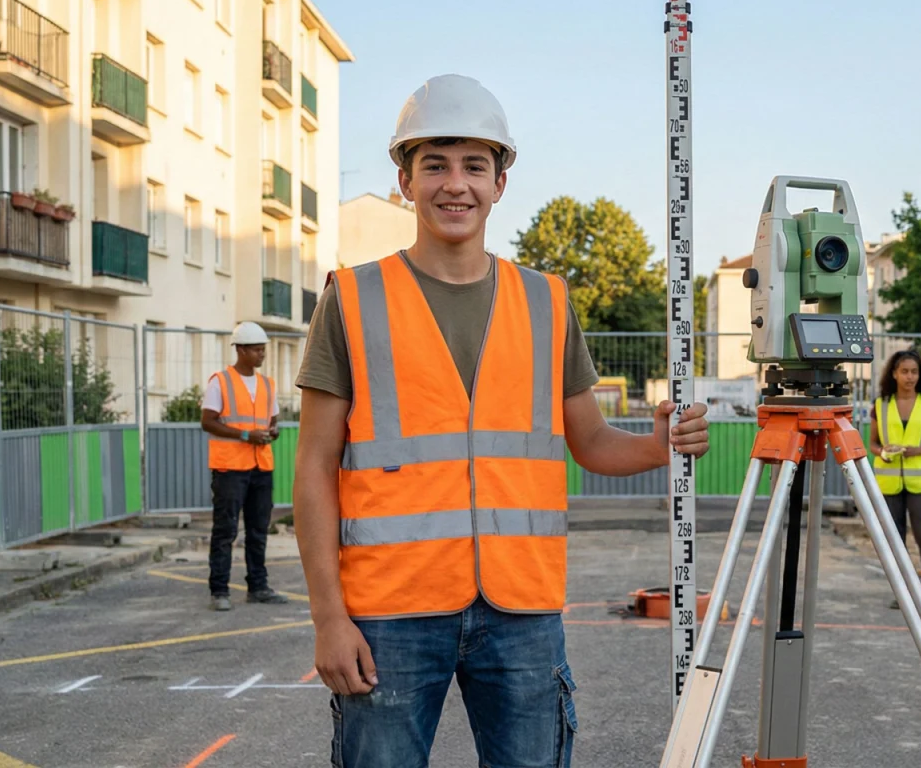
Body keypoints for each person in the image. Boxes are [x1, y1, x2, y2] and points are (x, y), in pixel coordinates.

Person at [292, 74, 711, 767]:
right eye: (435, 165)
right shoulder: (353, 298)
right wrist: (328, 617)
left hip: (521, 610)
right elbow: (313, 467)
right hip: (390, 612)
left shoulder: (545, 300)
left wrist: (660, 444)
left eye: (474, 166)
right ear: (405, 180)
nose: (455, 184)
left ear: (499, 183)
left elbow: (590, 441)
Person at [200, 321, 288, 611]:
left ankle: (258, 587)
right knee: (225, 530)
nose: (262, 354)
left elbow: (272, 421)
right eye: (256, 350)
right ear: (240, 350)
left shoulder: (267, 384)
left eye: (263, 349)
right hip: (230, 468)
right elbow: (208, 421)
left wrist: (272, 431)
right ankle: (219, 590)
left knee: (258, 529)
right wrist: (245, 435)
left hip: (261, 466)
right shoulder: (220, 382)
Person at [869, 350, 921, 614]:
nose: (910, 377)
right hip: (889, 482)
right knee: (895, 539)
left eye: (914, 372)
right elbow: (872, 443)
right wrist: (883, 452)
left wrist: (916, 451)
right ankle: (902, 592)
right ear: (894, 374)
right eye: (904, 371)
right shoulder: (880, 405)